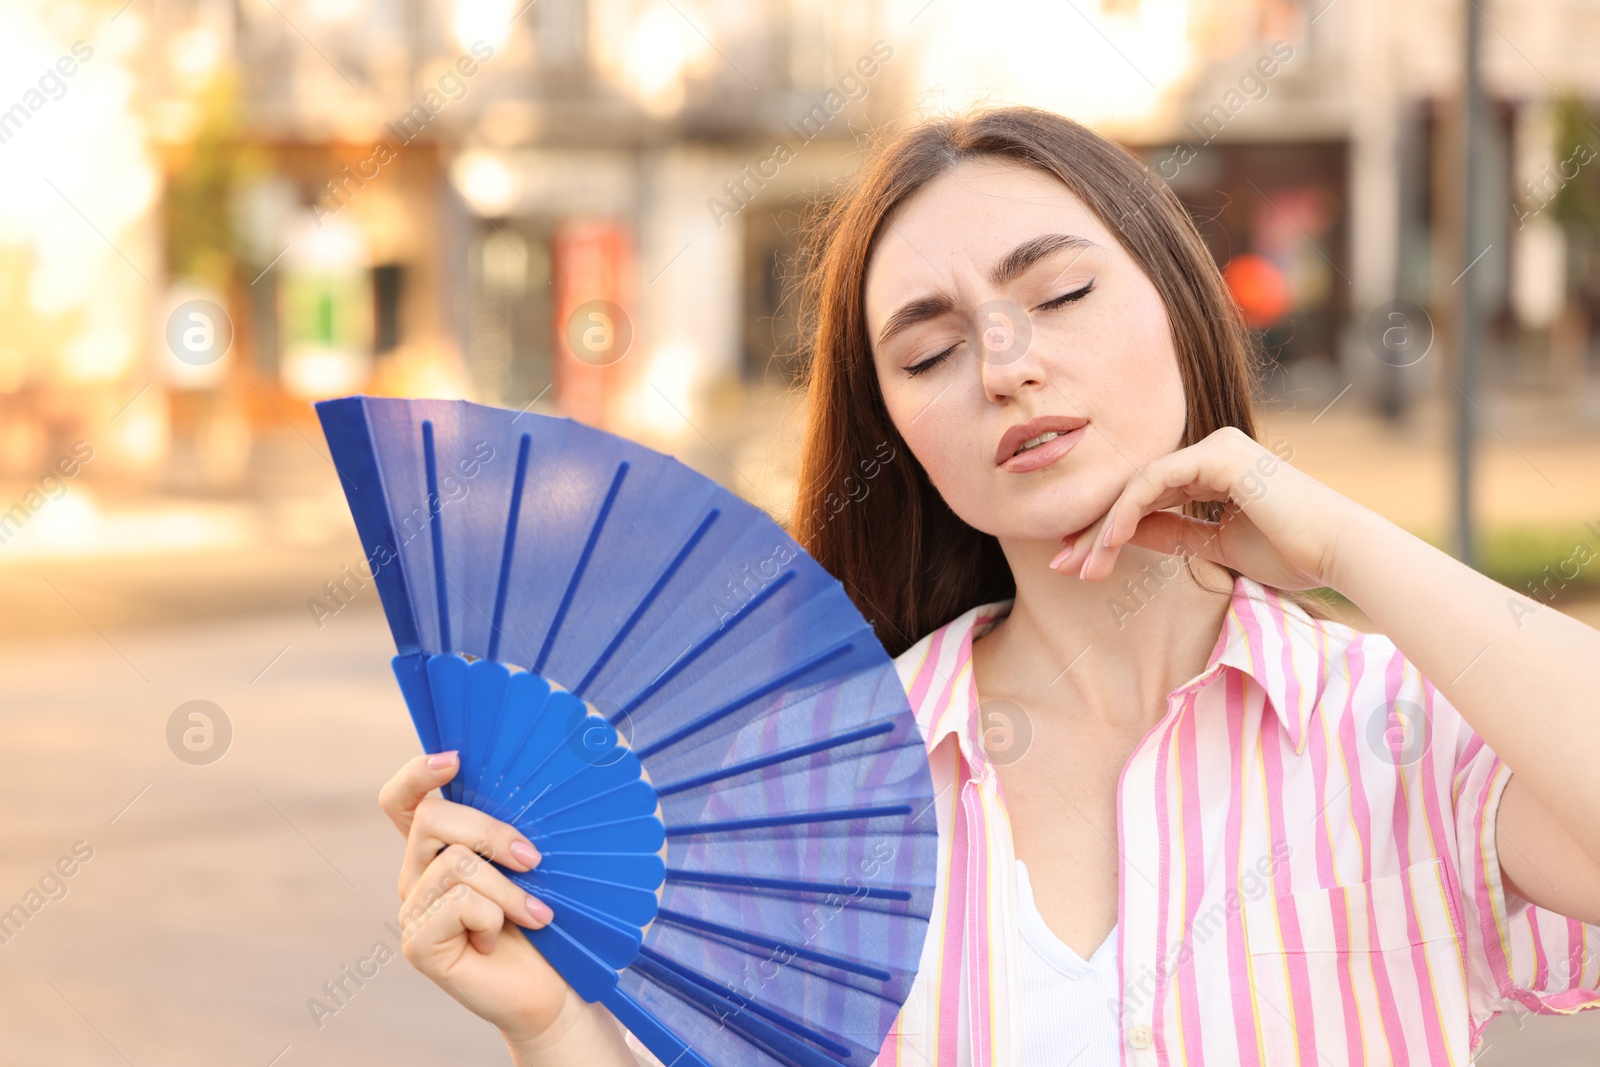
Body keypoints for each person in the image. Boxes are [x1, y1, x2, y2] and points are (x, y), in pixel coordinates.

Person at [376, 106, 1600, 1066]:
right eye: (928, 349)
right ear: (896, 428)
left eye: (1059, 293)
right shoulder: (821, 779)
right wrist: (549, 1027)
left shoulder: (1399, 723)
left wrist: (1341, 549)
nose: (1006, 365)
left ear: (1178, 302)